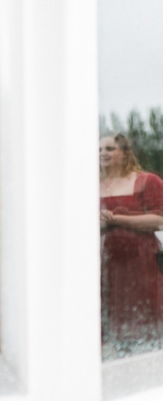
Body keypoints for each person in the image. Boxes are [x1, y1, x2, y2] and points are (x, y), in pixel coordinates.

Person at [99, 133, 163, 356]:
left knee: (144, 326)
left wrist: (116, 219)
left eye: (109, 149)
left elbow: (160, 220)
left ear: (125, 153)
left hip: (142, 264)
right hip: (107, 267)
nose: (102, 154)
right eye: (99, 150)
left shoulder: (146, 181)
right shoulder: (90, 187)